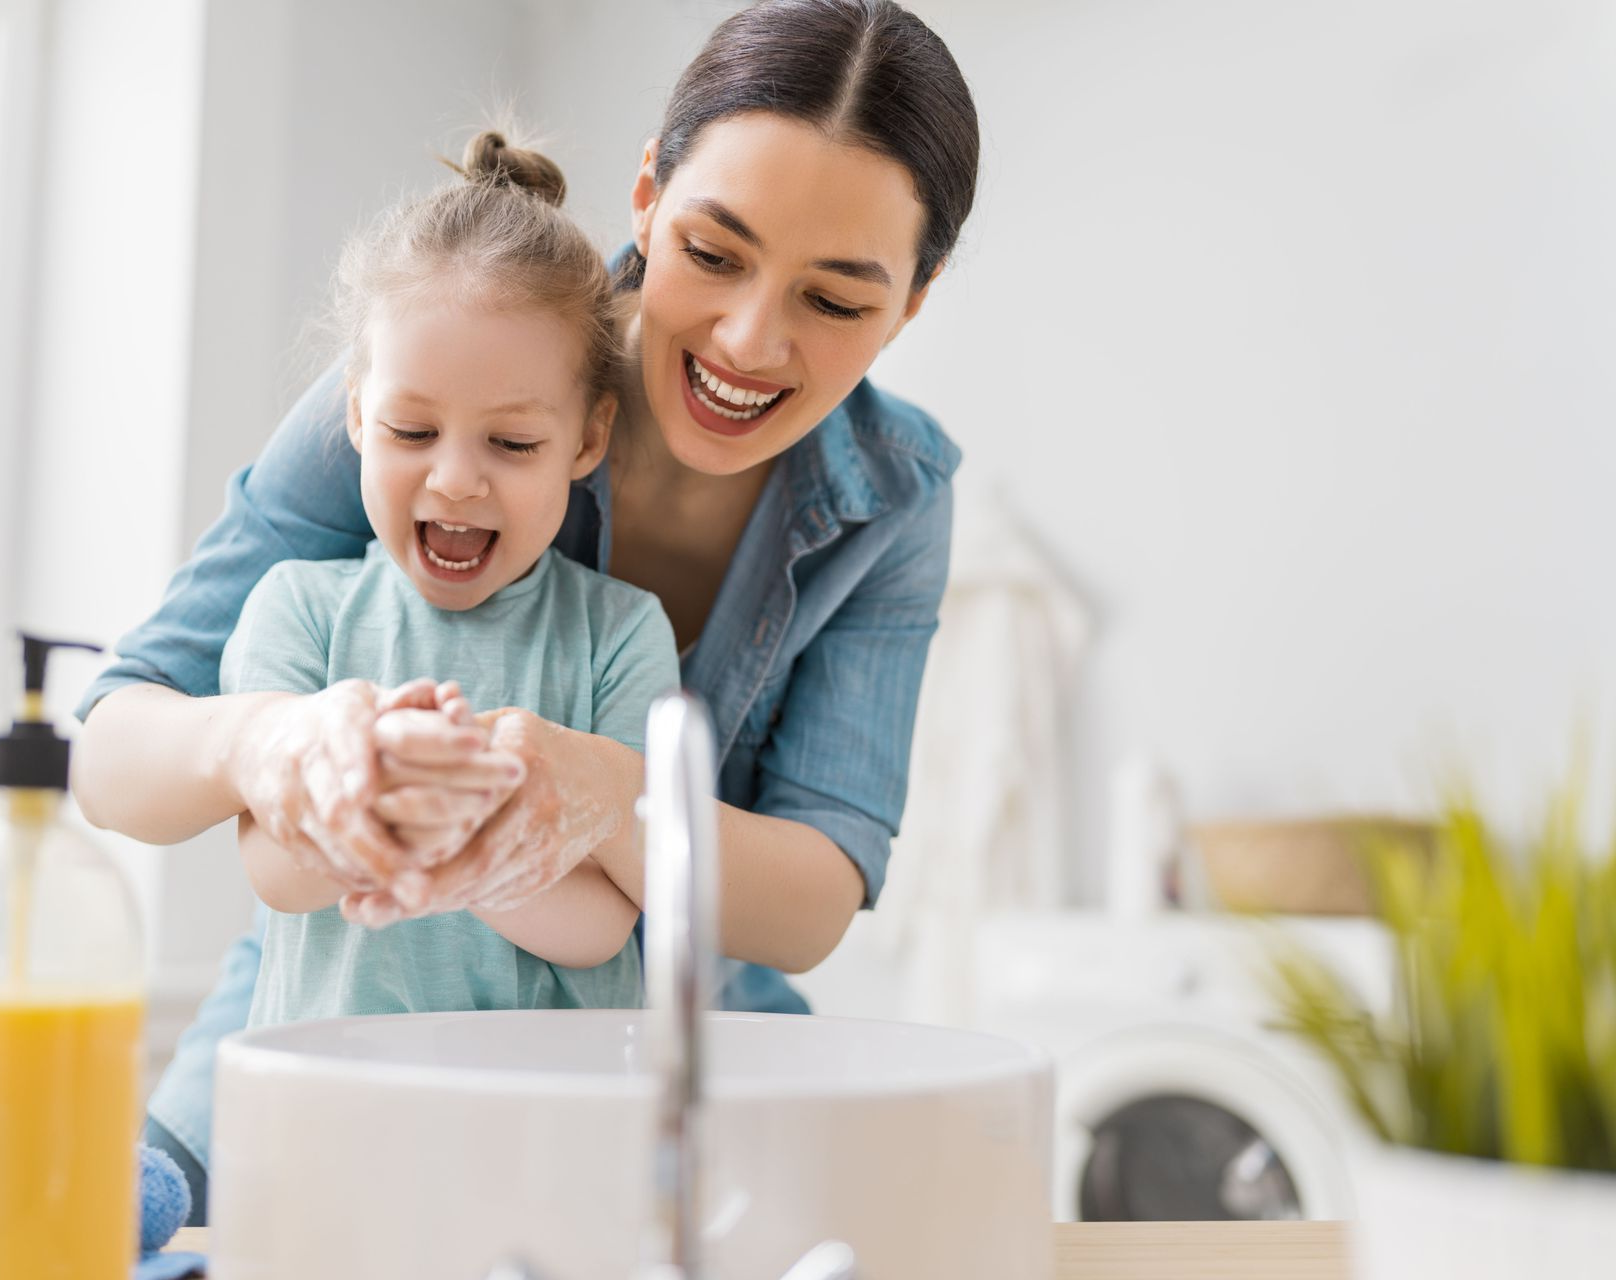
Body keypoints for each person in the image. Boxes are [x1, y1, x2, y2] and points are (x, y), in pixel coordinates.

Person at [73, 0, 980, 1221]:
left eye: (836, 300)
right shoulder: (447, 362)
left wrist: (596, 793)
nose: (751, 339)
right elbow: (120, 740)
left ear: (911, 303)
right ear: (649, 196)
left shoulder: (895, 498)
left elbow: (815, 889)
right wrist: (267, 744)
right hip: (344, 1008)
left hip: (664, 1037)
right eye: (714, 253)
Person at [227, 131, 674, 1029]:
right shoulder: (299, 610)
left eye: (511, 443)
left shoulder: (622, 635)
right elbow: (275, 871)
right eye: (411, 432)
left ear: (587, 441)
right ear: (357, 413)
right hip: (340, 1107)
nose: (457, 480)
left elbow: (603, 922)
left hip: (549, 1121)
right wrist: (417, 815)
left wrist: (459, 838)